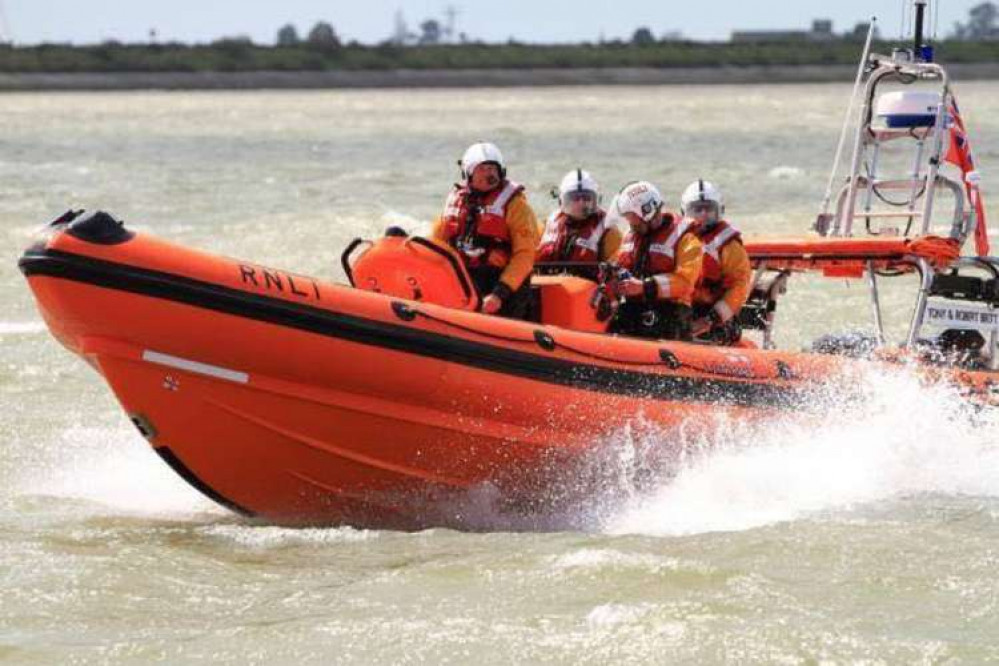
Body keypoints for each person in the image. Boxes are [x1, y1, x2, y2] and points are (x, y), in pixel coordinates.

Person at [431, 142, 539, 317]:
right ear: (469, 173)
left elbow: (525, 255)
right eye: (483, 168)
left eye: (493, 168)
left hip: (500, 286)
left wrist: (499, 295)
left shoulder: (515, 204)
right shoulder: (455, 200)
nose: (490, 174)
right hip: (463, 280)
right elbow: (437, 244)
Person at [610, 181, 703, 341]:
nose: (630, 223)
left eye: (632, 217)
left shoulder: (685, 237)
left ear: (647, 211)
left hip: (671, 311)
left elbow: (685, 282)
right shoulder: (629, 236)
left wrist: (643, 287)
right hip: (634, 309)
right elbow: (618, 266)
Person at [681, 180, 752, 344]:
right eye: (697, 209)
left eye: (709, 209)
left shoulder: (728, 246)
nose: (703, 214)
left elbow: (739, 286)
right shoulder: (677, 241)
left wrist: (710, 320)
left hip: (716, 316)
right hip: (683, 309)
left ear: (719, 210)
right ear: (684, 211)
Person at [536, 169, 622, 266]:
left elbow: (616, 266)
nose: (581, 203)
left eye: (587, 198)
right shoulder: (548, 223)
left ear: (595, 200)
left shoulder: (608, 230)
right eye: (575, 198)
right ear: (563, 201)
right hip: (543, 279)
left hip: (586, 280)